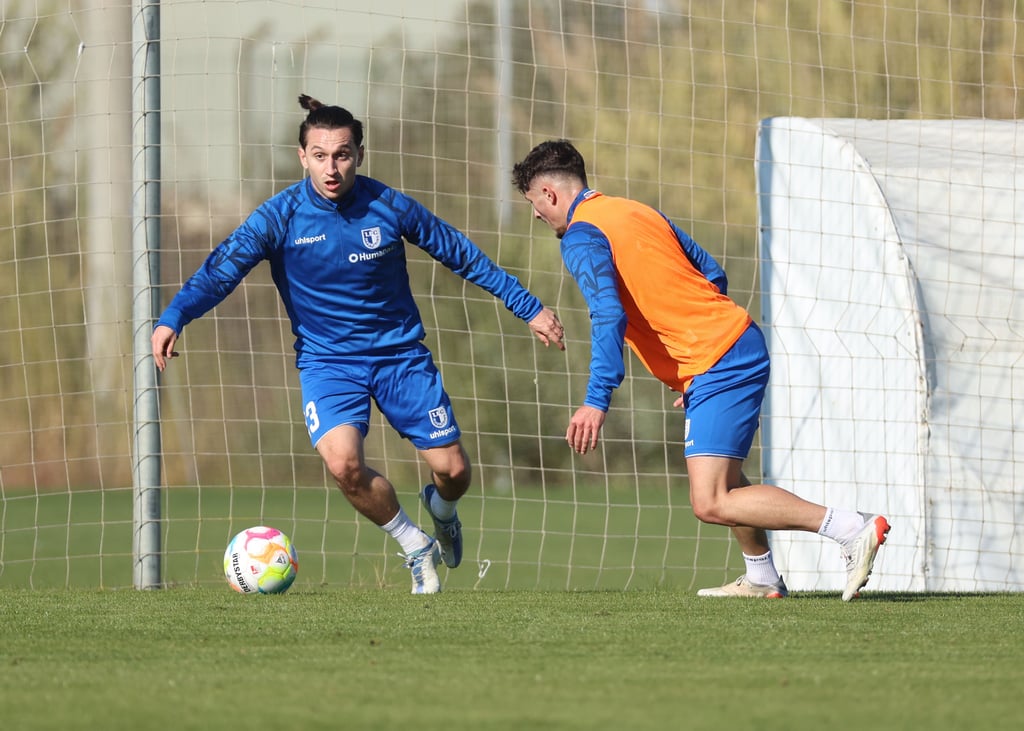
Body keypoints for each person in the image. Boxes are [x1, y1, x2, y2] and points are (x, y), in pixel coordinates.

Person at [152, 95, 565, 595]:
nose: (332, 167)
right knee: (344, 464)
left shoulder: (387, 206)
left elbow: (461, 253)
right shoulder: (278, 217)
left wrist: (529, 308)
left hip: (400, 356)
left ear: (360, 155)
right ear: (301, 156)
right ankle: (415, 546)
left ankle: (442, 510)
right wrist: (175, 316)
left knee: (452, 472)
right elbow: (222, 268)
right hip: (329, 363)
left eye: (343, 155)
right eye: (321, 155)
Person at [511, 139, 889, 600]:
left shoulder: (581, 236)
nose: (536, 215)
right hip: (725, 350)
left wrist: (596, 399)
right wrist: (692, 362)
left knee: (709, 501)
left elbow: (607, 315)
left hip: (719, 357)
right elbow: (711, 273)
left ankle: (851, 528)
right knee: (725, 481)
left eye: (533, 203)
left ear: (549, 194)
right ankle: (762, 577)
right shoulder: (636, 212)